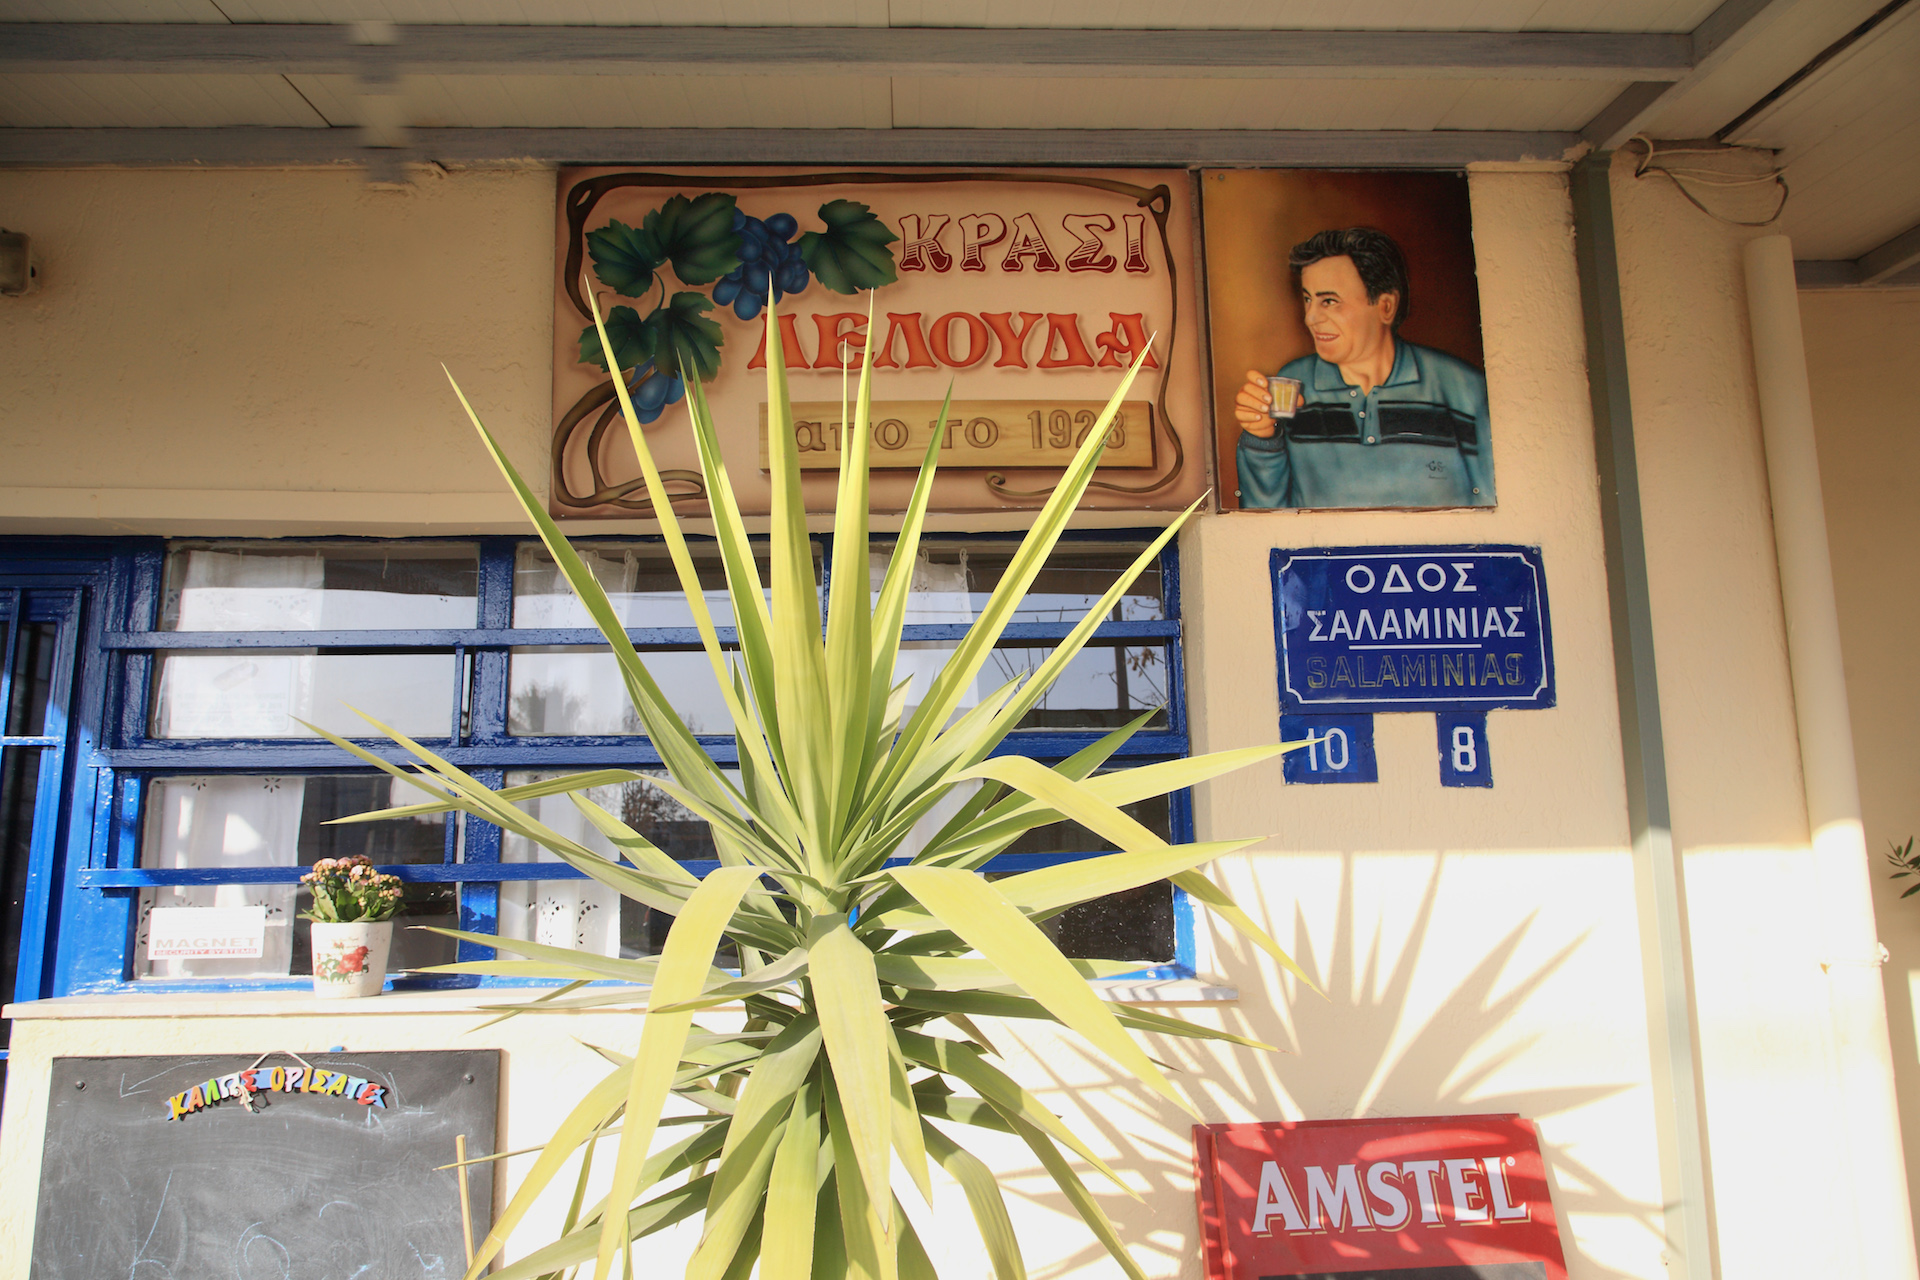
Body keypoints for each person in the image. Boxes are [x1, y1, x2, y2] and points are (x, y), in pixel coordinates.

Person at [1235, 227, 1494, 510]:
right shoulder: (1290, 386)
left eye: (1329, 301)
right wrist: (1262, 439)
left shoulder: (1464, 389)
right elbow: (1264, 515)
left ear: (1385, 306)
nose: (1310, 317)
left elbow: (1497, 508)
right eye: (1308, 299)